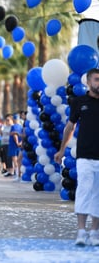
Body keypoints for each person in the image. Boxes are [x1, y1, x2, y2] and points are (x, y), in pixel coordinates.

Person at [54, 68, 99, 246]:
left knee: (98, 194)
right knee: (84, 190)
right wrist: (61, 149)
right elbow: (70, 127)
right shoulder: (79, 102)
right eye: (96, 80)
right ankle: (81, 231)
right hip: (85, 156)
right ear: (88, 82)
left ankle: (95, 232)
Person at [6, 114, 23, 179]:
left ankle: (17, 174)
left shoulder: (14, 127)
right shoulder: (21, 127)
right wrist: (20, 143)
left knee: (15, 160)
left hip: (14, 145)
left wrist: (17, 142)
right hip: (19, 145)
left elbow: (14, 135)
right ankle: (19, 174)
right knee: (19, 160)